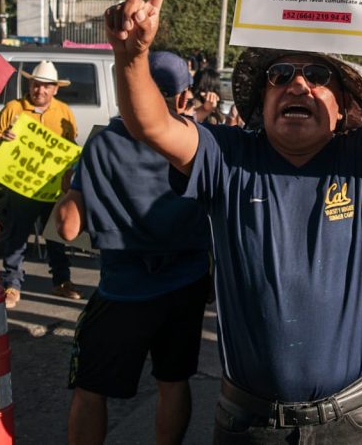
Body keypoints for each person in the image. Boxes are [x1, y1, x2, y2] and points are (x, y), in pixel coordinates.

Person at [103, 0, 362, 443]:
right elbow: (152, 126)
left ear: (343, 106)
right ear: (261, 100)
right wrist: (131, 56)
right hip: (250, 424)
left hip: (352, 422)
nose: (298, 85)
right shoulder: (227, 156)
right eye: (280, 75)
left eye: (317, 75)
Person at [57, 51, 211, 445]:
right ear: (181, 99)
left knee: (92, 388)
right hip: (187, 285)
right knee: (173, 382)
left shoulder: (101, 143)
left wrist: (66, 190)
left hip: (122, 290)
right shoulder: (200, 146)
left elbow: (68, 228)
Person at [0, 60, 81, 309]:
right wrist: (5, 139)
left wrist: (70, 175)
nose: (40, 90)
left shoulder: (64, 112)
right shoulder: (13, 108)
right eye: (36, 85)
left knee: (56, 236)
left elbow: (71, 147)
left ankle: (62, 282)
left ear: (55, 89)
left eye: (46, 87)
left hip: (52, 189)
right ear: (29, 84)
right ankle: (12, 284)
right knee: (17, 236)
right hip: (21, 187)